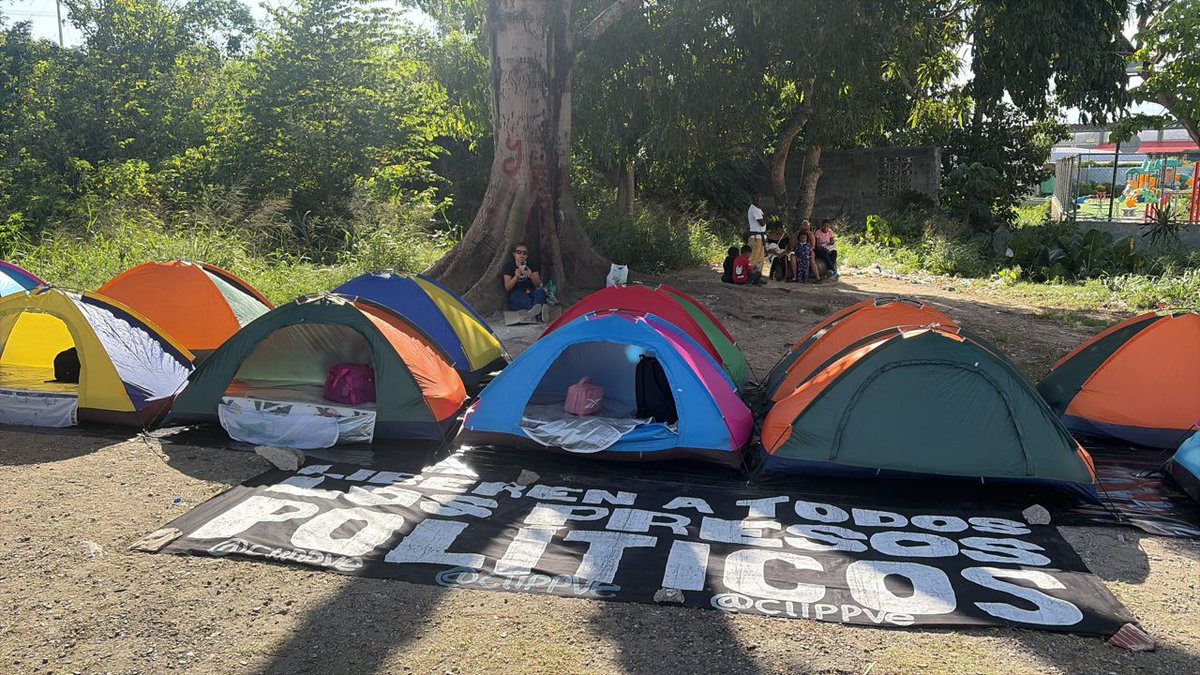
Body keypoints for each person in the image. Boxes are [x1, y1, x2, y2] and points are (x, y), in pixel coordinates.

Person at [502, 243, 547, 319]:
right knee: (521, 299)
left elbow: (539, 284)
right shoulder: (509, 266)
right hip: (517, 293)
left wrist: (531, 275)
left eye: (524, 253)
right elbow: (507, 287)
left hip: (531, 290)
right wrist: (516, 277)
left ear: (527, 256)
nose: (521, 255)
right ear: (514, 254)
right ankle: (539, 312)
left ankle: (536, 311)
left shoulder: (531, 265)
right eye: (518, 252)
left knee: (540, 292)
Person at [746, 193, 767, 281]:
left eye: (759, 197)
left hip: (760, 237)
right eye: (756, 198)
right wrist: (766, 219)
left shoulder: (758, 209)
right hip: (756, 237)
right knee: (753, 258)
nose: (758, 199)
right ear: (753, 198)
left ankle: (757, 276)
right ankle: (750, 275)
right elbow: (761, 222)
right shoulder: (753, 209)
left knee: (760, 259)